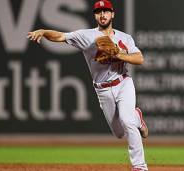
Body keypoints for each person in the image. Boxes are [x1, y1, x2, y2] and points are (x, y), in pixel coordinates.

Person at [27, 0, 148, 170]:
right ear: (95, 15)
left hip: (123, 83)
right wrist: (44, 31)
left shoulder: (124, 38)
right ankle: (138, 117)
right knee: (119, 133)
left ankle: (139, 166)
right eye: (99, 12)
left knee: (126, 121)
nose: (103, 14)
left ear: (112, 14)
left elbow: (139, 59)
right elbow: (61, 36)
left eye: (106, 11)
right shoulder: (86, 36)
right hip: (103, 89)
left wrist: (119, 54)